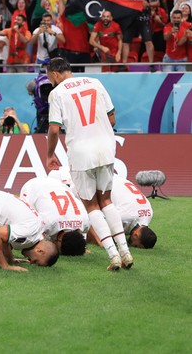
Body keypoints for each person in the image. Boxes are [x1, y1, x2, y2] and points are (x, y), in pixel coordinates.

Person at [45, 57, 134, 271]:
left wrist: (49, 154)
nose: (51, 82)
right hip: (106, 147)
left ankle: (113, 256)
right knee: (106, 200)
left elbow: (54, 129)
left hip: (81, 152)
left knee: (91, 205)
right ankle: (126, 252)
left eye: (50, 78)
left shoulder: (57, 93)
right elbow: (112, 118)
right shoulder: (95, 82)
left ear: (55, 74)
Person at [20, 177, 89, 256]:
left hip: (59, 184)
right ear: (60, 238)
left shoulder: (85, 222)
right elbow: (34, 233)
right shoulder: (48, 223)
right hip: (32, 188)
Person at [88, 174, 157, 249]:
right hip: (101, 180)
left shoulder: (149, 215)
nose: (133, 244)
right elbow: (93, 218)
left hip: (115, 178)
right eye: (135, 245)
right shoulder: (124, 217)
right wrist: (99, 241)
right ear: (136, 235)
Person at [113, 0, 160, 72]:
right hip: (131, 18)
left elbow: (157, 3)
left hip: (144, 17)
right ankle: (124, 65)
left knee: (148, 41)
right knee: (126, 42)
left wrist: (148, 4)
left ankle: (151, 64)